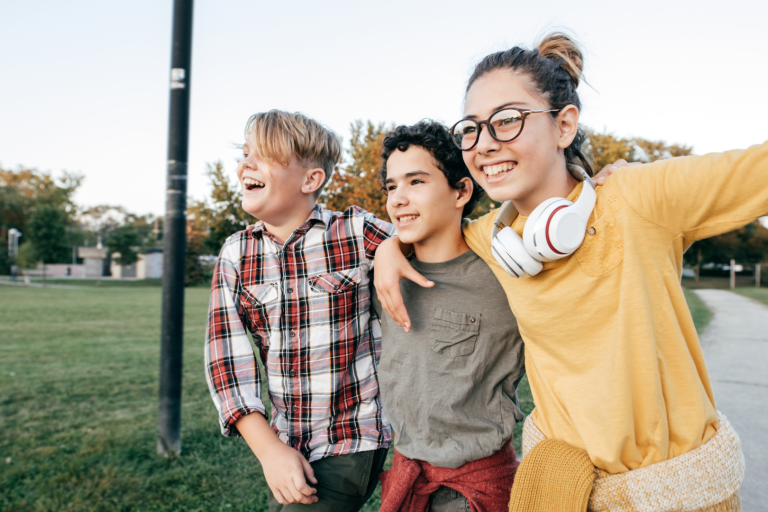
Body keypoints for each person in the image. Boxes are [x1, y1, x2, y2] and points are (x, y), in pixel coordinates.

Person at [374, 32, 764, 511]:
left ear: (564, 127)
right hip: (559, 489)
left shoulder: (640, 196)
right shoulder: (493, 239)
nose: (485, 145)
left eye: (508, 120)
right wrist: (389, 248)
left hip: (676, 494)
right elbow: (426, 225)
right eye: (472, 129)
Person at [204, 110, 394, 512]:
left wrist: (395, 249)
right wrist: (269, 452)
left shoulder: (354, 232)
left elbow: (426, 236)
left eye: (264, 156)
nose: (245, 165)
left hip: (354, 436)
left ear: (311, 180)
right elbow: (226, 364)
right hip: (285, 441)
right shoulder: (236, 253)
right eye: (245, 153)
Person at [372, 121, 524, 512]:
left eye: (416, 181)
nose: (398, 199)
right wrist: (388, 250)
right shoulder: (386, 277)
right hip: (408, 476)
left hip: (477, 485)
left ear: (461, 191)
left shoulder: (503, 272)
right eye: (391, 187)